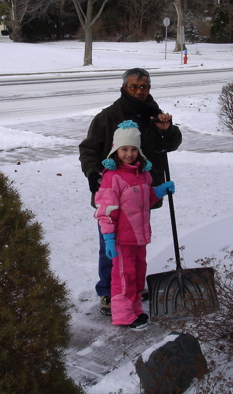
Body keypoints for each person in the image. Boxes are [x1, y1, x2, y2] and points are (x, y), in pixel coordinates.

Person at [79, 68, 182, 316]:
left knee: (135, 242)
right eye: (134, 86)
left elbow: (171, 144)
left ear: (149, 88)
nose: (139, 91)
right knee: (110, 243)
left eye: (143, 86)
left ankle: (132, 286)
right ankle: (107, 290)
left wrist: (166, 130)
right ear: (123, 87)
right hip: (112, 192)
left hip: (140, 192)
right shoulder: (107, 117)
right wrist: (94, 174)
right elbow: (88, 149)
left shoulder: (154, 115)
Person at [94, 120, 175, 329]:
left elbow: (144, 199)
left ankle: (135, 310)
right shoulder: (112, 177)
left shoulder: (143, 174)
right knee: (123, 277)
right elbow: (106, 210)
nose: (129, 154)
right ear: (115, 150)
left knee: (138, 274)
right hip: (122, 239)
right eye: (124, 149)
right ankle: (122, 315)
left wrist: (159, 191)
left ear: (139, 151)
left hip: (139, 237)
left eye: (133, 149)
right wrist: (109, 238)